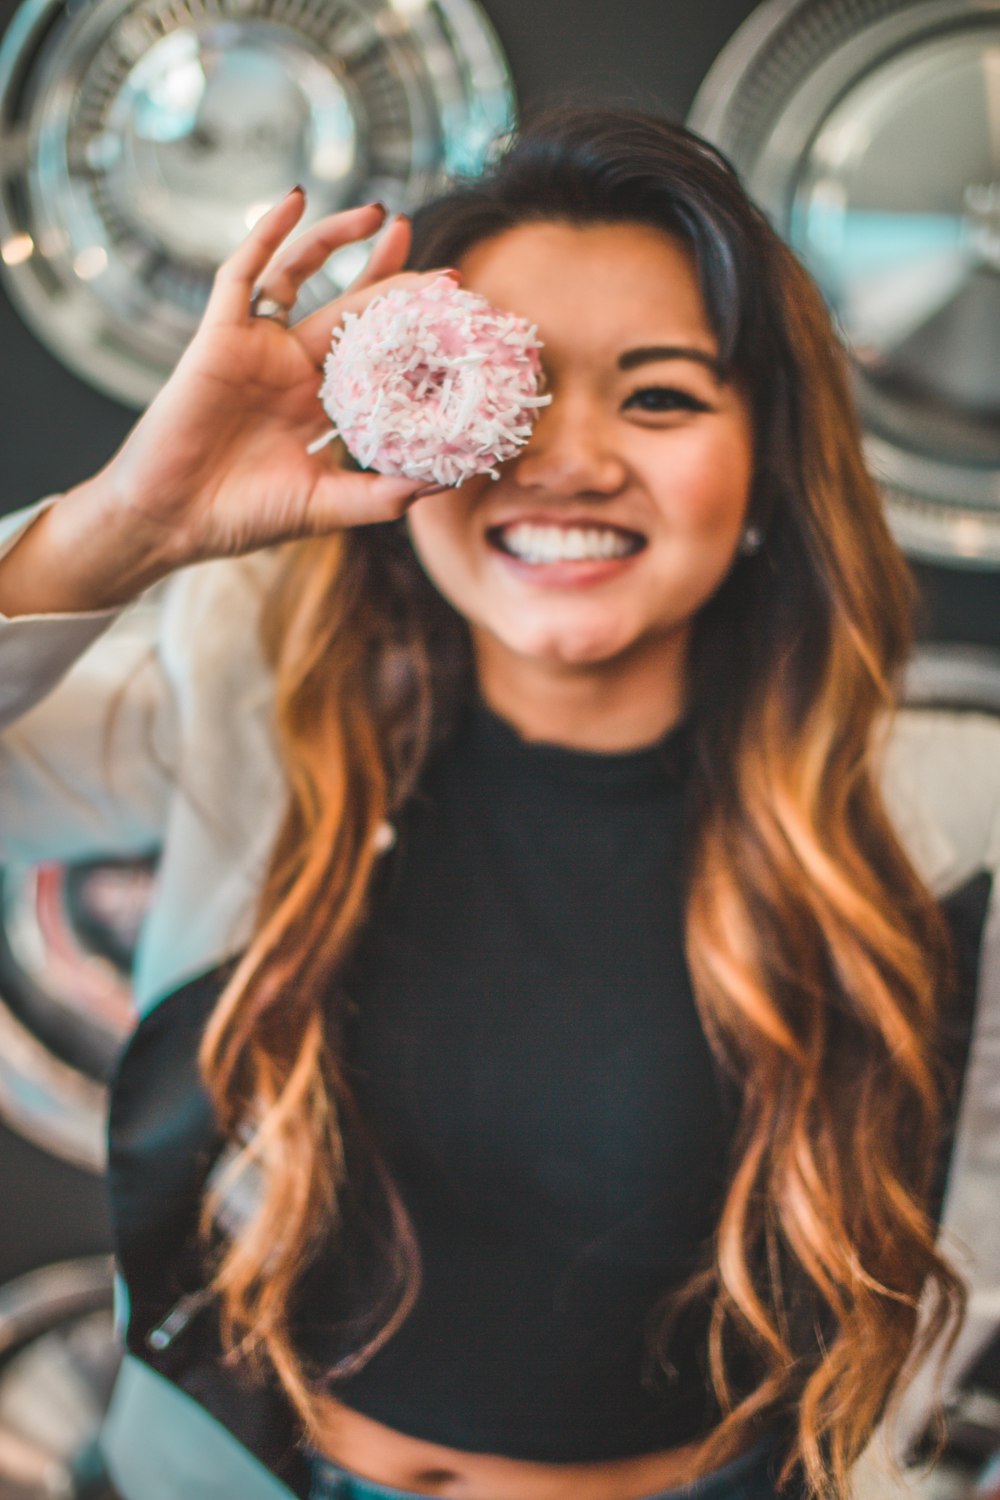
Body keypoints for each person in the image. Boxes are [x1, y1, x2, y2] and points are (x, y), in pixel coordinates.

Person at [0, 107, 997, 1500]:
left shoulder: (951, 818)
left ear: (767, 458)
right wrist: (133, 519)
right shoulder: (248, 698)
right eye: (508, 393)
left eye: (660, 397)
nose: (564, 459)